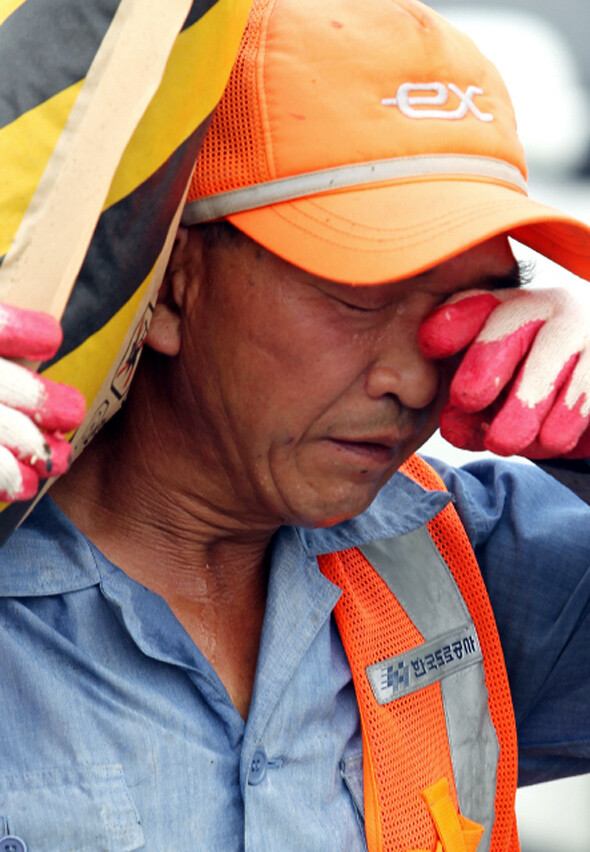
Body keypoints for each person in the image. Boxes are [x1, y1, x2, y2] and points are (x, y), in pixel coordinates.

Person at [1, 1, 589, 850]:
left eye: (467, 304)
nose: (416, 375)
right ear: (169, 282)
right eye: (359, 297)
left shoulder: (465, 567)